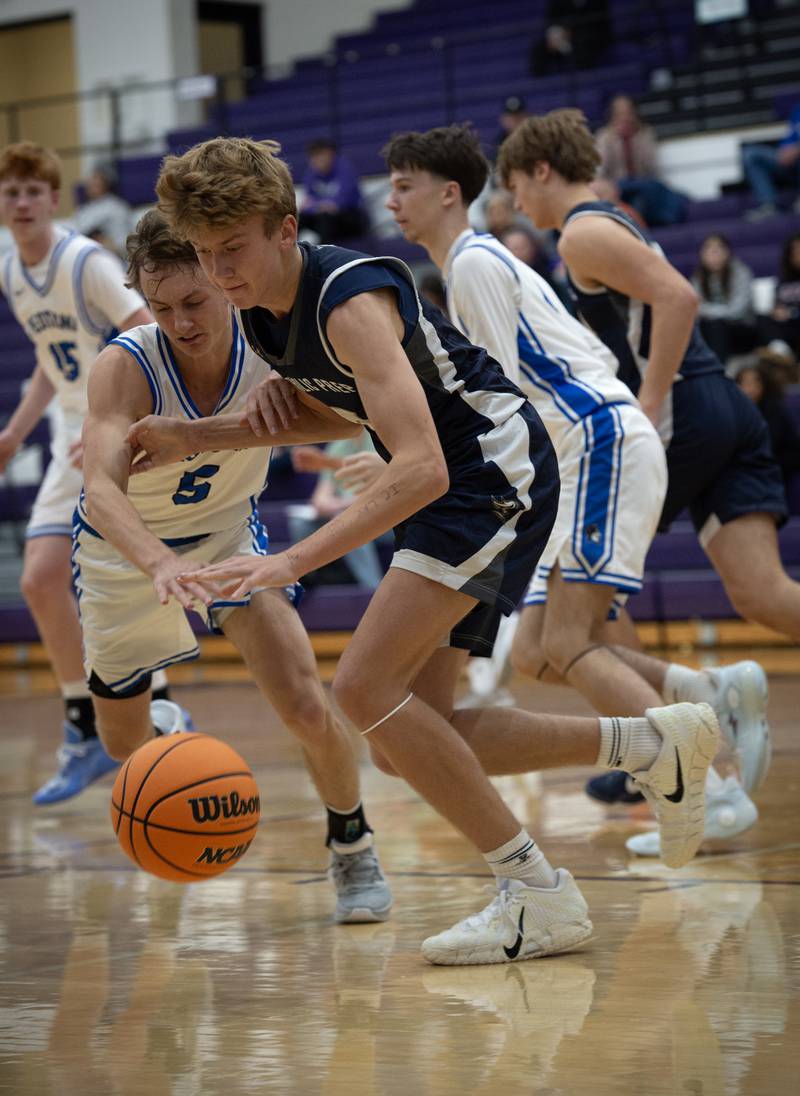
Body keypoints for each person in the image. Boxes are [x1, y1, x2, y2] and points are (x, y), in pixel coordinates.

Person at [124, 135, 719, 965]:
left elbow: (421, 465)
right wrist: (197, 434)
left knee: (363, 688)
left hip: (485, 469)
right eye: (205, 255)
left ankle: (537, 893)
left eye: (233, 250)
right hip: (460, 477)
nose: (219, 273)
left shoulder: (343, 299)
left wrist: (289, 562)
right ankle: (654, 744)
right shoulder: (260, 307)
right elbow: (347, 409)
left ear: (287, 228)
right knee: (413, 740)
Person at [382, 122, 759, 853]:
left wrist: (420, 460)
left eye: (405, 186)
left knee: (569, 640)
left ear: (449, 193)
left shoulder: (474, 267)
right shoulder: (477, 265)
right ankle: (710, 695)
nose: (391, 201)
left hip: (592, 440)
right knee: (536, 653)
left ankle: (710, 791)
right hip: (583, 447)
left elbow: (499, 404)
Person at [76, 209, 392, 923]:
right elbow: (99, 490)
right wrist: (157, 561)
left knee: (307, 702)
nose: (180, 320)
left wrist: (258, 422)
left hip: (226, 536)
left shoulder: (270, 341)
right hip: (124, 555)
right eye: (161, 307)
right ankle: (165, 724)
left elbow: (355, 413)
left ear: (221, 280)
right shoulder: (125, 367)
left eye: (193, 301)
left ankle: (352, 845)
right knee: (124, 746)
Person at [497, 108, 795, 822]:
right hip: (721, 403)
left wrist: (649, 403)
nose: (515, 205)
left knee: (573, 622)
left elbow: (680, 296)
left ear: (542, 170)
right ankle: (683, 728)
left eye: (515, 187)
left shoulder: (581, 230)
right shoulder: (609, 220)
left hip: (680, 410)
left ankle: (679, 762)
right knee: (763, 594)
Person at [0, 141, 153, 805]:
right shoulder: (11, 269)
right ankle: (86, 726)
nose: (23, 202)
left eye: (34, 190)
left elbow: (147, 333)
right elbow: (49, 359)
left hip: (111, 426)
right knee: (40, 580)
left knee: (114, 575)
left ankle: (150, 712)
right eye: (11, 192)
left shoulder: (84, 261)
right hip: (70, 430)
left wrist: (106, 423)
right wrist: (15, 429)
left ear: (55, 199)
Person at [287, 433, 390, 589]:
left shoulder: (382, 440)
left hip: (383, 514)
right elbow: (320, 497)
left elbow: (383, 493)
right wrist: (325, 504)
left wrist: (340, 504)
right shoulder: (338, 445)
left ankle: (372, 588)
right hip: (343, 511)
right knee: (300, 523)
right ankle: (306, 578)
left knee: (350, 523)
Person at [595, 95, 688, 227]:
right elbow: (602, 168)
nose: (624, 117)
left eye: (627, 112)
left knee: (646, 195)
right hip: (617, 185)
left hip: (641, 184)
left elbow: (650, 166)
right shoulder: (605, 136)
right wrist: (615, 139)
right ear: (612, 115)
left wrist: (634, 138)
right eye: (620, 113)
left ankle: (640, 225)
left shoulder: (645, 133)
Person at [691, 233, 758, 364]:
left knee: (716, 325)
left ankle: (719, 369)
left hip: (740, 329)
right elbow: (694, 308)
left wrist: (708, 312)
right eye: (708, 249)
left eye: (718, 249)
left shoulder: (740, 272)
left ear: (727, 252)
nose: (713, 253)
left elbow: (737, 311)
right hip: (711, 328)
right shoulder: (698, 277)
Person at [736, 360, 800, 487]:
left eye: (755, 383)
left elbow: (790, 452)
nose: (749, 389)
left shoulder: (775, 411)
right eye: (744, 383)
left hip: (773, 478)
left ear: (764, 385)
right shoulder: (731, 411)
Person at [297, 139, 368, 245]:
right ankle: (289, 251)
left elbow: (344, 200)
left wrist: (323, 206)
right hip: (325, 217)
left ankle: (323, 255)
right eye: (314, 156)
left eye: (321, 155)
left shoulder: (345, 169)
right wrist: (320, 206)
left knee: (325, 219)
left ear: (331, 155)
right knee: (299, 218)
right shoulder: (311, 173)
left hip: (352, 218)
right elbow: (307, 204)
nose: (317, 160)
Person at [742, 101, 800, 221]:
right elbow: (790, 137)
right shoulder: (798, 109)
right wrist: (784, 151)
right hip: (790, 161)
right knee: (750, 154)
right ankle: (769, 205)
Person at [529, 0, 612, 77]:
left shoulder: (598, 2)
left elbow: (600, 25)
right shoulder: (557, 2)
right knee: (540, 46)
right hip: (561, 36)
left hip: (587, 37)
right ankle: (539, 80)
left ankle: (584, 76)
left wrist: (572, 33)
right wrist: (553, 36)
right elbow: (551, 21)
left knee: (582, 43)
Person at [71, 165, 132, 256]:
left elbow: (124, 243)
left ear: (106, 183)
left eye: (96, 180)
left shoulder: (117, 207)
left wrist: (106, 243)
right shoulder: (82, 210)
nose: (92, 184)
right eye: (90, 181)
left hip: (112, 257)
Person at [757, 231, 800, 356]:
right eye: (795, 252)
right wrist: (777, 311)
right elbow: (777, 305)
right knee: (762, 318)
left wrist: (792, 313)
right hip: (786, 326)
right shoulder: (783, 281)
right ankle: (779, 348)